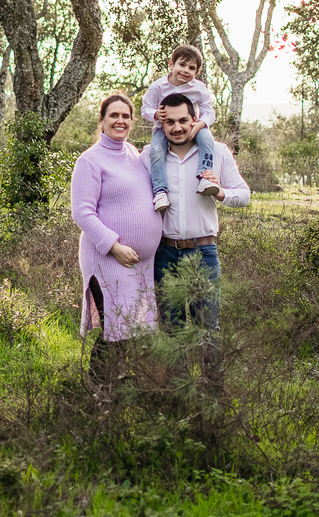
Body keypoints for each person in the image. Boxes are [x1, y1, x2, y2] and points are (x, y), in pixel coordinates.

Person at [141, 92, 249, 337]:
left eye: (183, 121)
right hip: (164, 255)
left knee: (207, 330)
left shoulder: (217, 153)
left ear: (195, 120)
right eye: (170, 122)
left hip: (203, 253)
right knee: (172, 332)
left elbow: (244, 195)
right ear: (161, 125)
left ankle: (210, 366)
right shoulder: (149, 157)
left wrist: (219, 191)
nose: (177, 128)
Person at [71, 93, 163, 375]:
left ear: (132, 121)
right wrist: (114, 246)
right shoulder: (90, 161)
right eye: (114, 115)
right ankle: (98, 390)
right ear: (101, 120)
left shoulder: (134, 154)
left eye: (126, 116)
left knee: (129, 330)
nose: (120, 121)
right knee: (113, 329)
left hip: (140, 264)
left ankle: (117, 386)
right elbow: (83, 213)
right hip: (108, 260)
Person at [141, 44, 219, 213]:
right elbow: (145, 108)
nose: (186, 70)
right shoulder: (158, 86)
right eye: (182, 65)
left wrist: (200, 124)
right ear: (171, 64)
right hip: (163, 128)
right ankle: (160, 191)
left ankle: (205, 177)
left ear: (196, 72)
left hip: (193, 125)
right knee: (156, 151)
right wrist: (156, 114)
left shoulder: (198, 88)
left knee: (207, 139)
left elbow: (209, 112)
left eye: (191, 68)